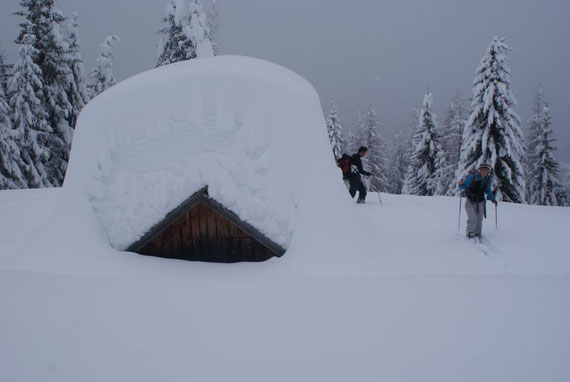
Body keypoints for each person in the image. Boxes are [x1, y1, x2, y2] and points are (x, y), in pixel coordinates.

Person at [458, 162, 497, 238]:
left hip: (480, 201)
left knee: (479, 218)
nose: (484, 172)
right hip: (470, 200)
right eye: (482, 170)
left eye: (486, 171)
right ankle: (470, 233)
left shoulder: (487, 179)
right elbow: (464, 185)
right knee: (472, 217)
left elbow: (488, 190)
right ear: (479, 170)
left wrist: (493, 199)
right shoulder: (473, 176)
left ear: (488, 171)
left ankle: (477, 233)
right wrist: (460, 184)